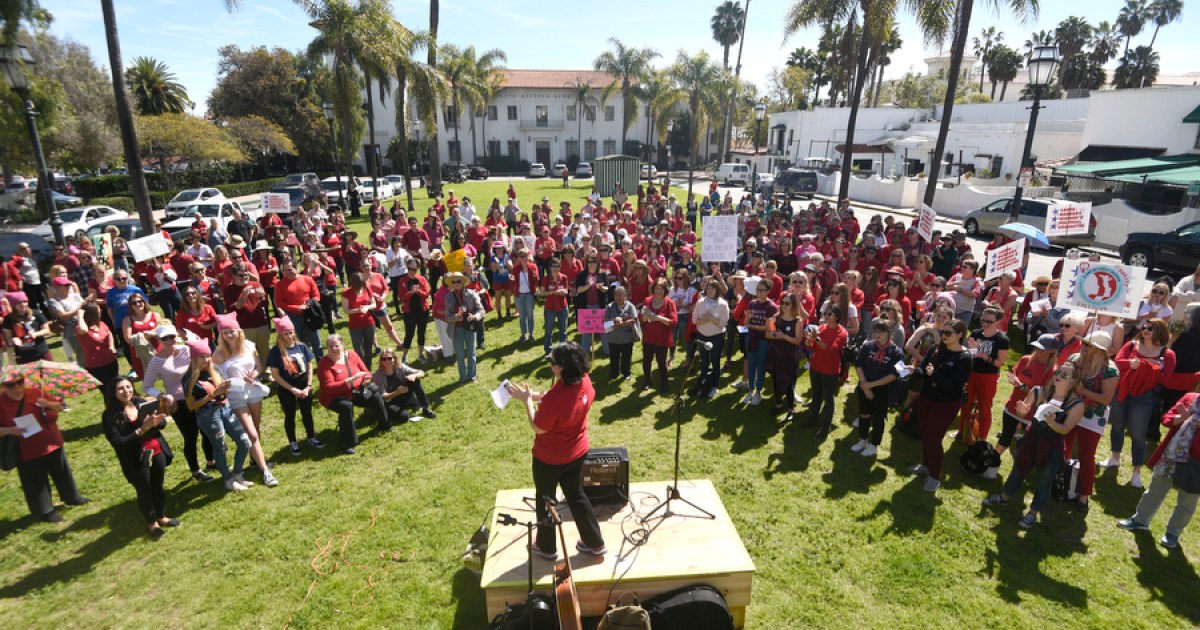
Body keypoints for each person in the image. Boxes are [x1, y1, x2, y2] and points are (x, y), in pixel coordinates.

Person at [504, 342, 607, 560]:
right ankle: (595, 543)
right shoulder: (585, 381)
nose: (550, 364)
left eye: (552, 361)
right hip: (578, 452)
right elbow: (554, 398)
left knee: (546, 500)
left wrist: (526, 403)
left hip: (550, 459)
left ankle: (546, 547)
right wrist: (532, 396)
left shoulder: (555, 400)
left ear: (562, 368)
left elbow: (538, 427)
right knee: (576, 494)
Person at [983, 360, 1087, 528]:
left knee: (1044, 481)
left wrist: (1052, 423)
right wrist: (1022, 411)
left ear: (1073, 381)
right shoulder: (1039, 391)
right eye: (1057, 372)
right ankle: (1004, 497)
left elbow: (1066, 429)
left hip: (1051, 446)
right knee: (1018, 470)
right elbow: (1022, 410)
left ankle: (1032, 513)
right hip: (1031, 439)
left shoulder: (1076, 404)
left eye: (1064, 374)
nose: (1058, 376)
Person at [0, 370, 89, 522]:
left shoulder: (35, 391)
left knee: (62, 471)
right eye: (10, 385)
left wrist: (48, 404)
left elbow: (59, 407)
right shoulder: (1, 403)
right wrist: (10, 430)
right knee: (35, 480)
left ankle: (72, 497)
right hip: (27, 450)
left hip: (53, 441)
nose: (16, 387)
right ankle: (45, 511)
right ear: (3, 386)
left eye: (19, 382)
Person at [1117, 389, 1200, 549]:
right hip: (1171, 456)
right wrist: (1182, 418)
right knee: (1155, 490)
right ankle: (1140, 520)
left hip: (1195, 463)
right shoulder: (1191, 397)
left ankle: (1172, 533)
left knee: (1187, 501)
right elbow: (1167, 418)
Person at [103, 377, 180, 537]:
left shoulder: (141, 402)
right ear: (113, 392)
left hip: (156, 450)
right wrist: (142, 429)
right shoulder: (109, 415)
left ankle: (162, 516)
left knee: (157, 486)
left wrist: (157, 421)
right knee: (144, 490)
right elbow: (119, 442)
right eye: (120, 389)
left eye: (128, 387)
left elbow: (161, 425)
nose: (126, 391)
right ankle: (152, 524)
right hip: (136, 459)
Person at [1105, 318, 1176, 489]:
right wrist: (1131, 363)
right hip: (1122, 390)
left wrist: (1150, 367)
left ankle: (1136, 471)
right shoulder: (1131, 345)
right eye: (1144, 327)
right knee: (1117, 426)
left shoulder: (1167, 354)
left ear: (1159, 330)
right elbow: (1117, 362)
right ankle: (1115, 458)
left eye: (1150, 328)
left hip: (1145, 396)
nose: (1145, 330)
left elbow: (1167, 379)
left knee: (1138, 434)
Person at [143, 322, 215, 483]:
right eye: (165, 338)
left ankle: (211, 461)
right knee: (190, 436)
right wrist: (164, 396)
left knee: (207, 430)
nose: (170, 340)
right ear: (159, 340)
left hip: (196, 395)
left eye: (172, 336)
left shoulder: (186, 350)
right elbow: (146, 386)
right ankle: (196, 470)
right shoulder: (156, 361)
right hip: (179, 403)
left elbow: (201, 352)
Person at [212, 313, 277, 487]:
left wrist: (255, 374)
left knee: (256, 429)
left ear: (238, 331)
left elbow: (259, 366)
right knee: (251, 434)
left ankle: (255, 461)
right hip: (235, 396)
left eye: (231, 331)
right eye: (224, 332)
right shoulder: (219, 354)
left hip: (253, 391)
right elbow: (213, 374)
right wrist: (221, 383)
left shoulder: (249, 346)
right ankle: (266, 472)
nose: (228, 335)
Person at [909, 319, 972, 493]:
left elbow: (955, 385)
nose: (943, 336)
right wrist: (915, 370)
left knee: (934, 438)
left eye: (948, 333)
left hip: (946, 404)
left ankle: (934, 477)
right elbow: (923, 368)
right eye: (943, 332)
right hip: (926, 398)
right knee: (925, 432)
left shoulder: (964, 358)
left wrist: (934, 374)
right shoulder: (935, 349)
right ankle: (926, 465)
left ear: (960, 335)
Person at [184, 339, 252, 492]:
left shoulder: (215, 370)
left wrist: (227, 388)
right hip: (209, 415)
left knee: (245, 441)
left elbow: (223, 390)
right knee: (220, 448)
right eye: (201, 357)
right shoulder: (189, 379)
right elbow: (191, 406)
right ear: (194, 358)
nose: (206, 360)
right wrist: (213, 395)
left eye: (207, 356)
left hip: (226, 409)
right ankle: (228, 480)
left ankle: (237, 473)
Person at [317, 333, 388, 454]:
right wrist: (347, 382)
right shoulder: (324, 363)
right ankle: (346, 443)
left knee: (375, 396)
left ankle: (384, 424)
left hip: (355, 391)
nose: (334, 349)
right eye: (330, 346)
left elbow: (366, 371)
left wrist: (366, 378)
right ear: (327, 348)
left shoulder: (352, 355)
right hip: (333, 396)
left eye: (336, 345)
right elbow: (328, 388)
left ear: (342, 345)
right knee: (346, 407)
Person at [266, 316, 324, 457]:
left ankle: (311, 436)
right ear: (280, 334)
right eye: (286, 333)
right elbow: (276, 375)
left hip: (304, 385)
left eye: (291, 332)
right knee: (290, 415)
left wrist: (308, 386)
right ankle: (293, 442)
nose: (289, 335)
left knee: (307, 413)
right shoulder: (275, 352)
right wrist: (292, 389)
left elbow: (310, 366)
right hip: (287, 389)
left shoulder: (302, 346)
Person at [997, 334, 1059, 456]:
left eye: (1043, 348)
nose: (1038, 350)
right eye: (1037, 347)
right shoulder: (1026, 359)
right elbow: (1016, 375)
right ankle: (991, 463)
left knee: (1025, 446)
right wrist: (1014, 380)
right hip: (1012, 406)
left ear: (1052, 351)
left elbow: (1042, 395)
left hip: (1030, 414)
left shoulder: (1052, 370)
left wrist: (1021, 386)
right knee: (1005, 437)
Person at [852, 319, 904, 457]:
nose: (878, 334)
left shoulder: (896, 352)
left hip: (882, 390)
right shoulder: (868, 346)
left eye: (882, 331)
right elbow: (859, 365)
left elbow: (893, 375)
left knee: (878, 418)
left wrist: (871, 385)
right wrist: (865, 385)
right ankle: (862, 439)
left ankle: (874, 444)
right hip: (864, 385)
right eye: (876, 331)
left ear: (890, 333)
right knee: (864, 414)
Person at [959, 307, 1010, 444]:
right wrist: (969, 350)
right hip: (971, 373)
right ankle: (962, 432)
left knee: (984, 408)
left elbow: (999, 363)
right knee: (965, 404)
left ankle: (982, 438)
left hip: (988, 377)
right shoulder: (976, 333)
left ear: (998, 322)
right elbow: (968, 353)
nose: (985, 323)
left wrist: (984, 356)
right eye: (983, 320)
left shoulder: (1002, 339)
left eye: (989, 321)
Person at [805, 306, 848, 437]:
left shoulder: (842, 333)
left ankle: (826, 425)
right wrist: (809, 339)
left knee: (828, 398)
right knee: (816, 394)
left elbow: (831, 349)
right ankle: (813, 419)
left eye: (829, 314)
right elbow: (812, 347)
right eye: (825, 313)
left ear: (836, 316)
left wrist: (815, 338)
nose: (826, 316)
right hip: (816, 366)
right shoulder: (821, 328)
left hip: (830, 370)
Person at [373, 348, 436, 425]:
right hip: (390, 401)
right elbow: (383, 397)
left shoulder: (400, 367)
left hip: (403, 395)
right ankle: (398, 410)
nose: (387, 361)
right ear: (381, 361)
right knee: (404, 417)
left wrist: (414, 375)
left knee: (415, 380)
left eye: (389, 358)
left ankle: (425, 409)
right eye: (384, 359)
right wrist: (398, 392)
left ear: (394, 359)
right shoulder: (378, 375)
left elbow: (421, 372)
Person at [766, 292, 805, 419]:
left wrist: (784, 336)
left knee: (788, 381)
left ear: (793, 305)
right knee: (776, 379)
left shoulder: (798, 321)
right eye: (782, 302)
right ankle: (778, 404)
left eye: (787, 303)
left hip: (789, 355)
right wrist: (773, 334)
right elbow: (768, 334)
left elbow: (798, 340)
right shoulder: (776, 318)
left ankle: (790, 408)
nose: (784, 305)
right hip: (776, 353)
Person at [274, 258, 323, 358]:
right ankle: (304, 366)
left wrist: (308, 304)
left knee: (316, 343)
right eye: (285, 270)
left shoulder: (307, 279)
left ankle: (321, 366)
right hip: (293, 317)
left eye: (290, 269)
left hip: (310, 314)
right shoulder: (280, 285)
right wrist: (296, 308)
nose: (287, 272)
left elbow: (316, 296)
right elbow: (280, 303)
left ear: (296, 268)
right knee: (298, 344)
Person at [443, 272, 485, 383]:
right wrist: (456, 317)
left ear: (463, 282)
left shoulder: (471, 294)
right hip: (456, 329)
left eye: (458, 281)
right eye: (453, 282)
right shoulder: (448, 297)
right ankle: (462, 377)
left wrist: (475, 317)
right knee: (460, 355)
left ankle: (472, 376)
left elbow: (481, 310)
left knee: (471, 353)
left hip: (470, 327)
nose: (456, 284)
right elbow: (447, 317)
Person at [691, 278, 729, 398]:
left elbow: (723, 323)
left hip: (716, 337)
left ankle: (714, 386)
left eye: (712, 288)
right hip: (702, 335)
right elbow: (694, 320)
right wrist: (704, 320)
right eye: (708, 288)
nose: (709, 290)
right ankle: (702, 384)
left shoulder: (722, 304)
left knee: (715, 361)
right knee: (704, 362)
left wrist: (710, 318)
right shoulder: (700, 302)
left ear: (717, 290)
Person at [640, 278, 677, 394]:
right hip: (649, 337)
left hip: (662, 338)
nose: (658, 291)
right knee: (646, 361)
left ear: (665, 290)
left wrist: (659, 318)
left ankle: (664, 383)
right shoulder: (647, 300)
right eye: (656, 288)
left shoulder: (669, 302)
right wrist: (646, 316)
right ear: (653, 289)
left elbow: (673, 321)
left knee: (661, 362)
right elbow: (641, 319)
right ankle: (647, 381)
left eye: (661, 289)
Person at [75, 303, 121, 384]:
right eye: (99, 311)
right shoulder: (80, 328)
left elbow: (109, 333)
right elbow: (83, 329)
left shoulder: (102, 324)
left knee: (116, 384)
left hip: (111, 361)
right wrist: (80, 316)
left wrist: (112, 346)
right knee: (106, 389)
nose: (101, 312)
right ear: (92, 314)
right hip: (96, 366)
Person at [396, 259, 430, 364]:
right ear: (407, 268)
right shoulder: (402, 280)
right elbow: (401, 298)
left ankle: (420, 355)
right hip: (409, 312)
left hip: (422, 311)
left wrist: (418, 291)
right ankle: (405, 356)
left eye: (414, 269)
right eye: (410, 269)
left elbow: (426, 294)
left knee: (421, 333)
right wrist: (411, 292)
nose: (412, 271)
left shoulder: (422, 279)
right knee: (409, 334)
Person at [3, 292, 52, 364]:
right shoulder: (8, 319)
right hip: (23, 357)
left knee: (49, 374)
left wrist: (36, 334)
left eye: (24, 302)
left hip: (41, 352)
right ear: (13, 305)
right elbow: (8, 339)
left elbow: (47, 330)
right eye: (19, 303)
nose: (23, 304)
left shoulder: (36, 313)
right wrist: (13, 340)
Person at [343, 272, 379, 370]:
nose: (360, 287)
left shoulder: (367, 290)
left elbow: (374, 304)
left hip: (369, 323)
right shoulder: (347, 293)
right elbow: (346, 310)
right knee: (359, 350)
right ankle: (361, 369)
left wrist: (367, 307)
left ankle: (368, 369)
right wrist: (358, 310)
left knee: (368, 349)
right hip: (355, 326)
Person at [46, 277, 85, 368]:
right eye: (66, 285)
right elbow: (63, 315)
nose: (69, 286)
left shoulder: (75, 295)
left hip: (84, 323)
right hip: (71, 330)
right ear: (58, 287)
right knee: (81, 353)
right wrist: (80, 307)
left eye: (69, 284)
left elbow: (85, 306)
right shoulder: (54, 301)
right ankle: (85, 373)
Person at [604, 286, 639, 380]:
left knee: (626, 357)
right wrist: (614, 319)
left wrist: (620, 323)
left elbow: (633, 320)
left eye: (621, 295)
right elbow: (605, 321)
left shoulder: (630, 306)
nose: (618, 297)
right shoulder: (610, 306)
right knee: (614, 357)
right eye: (616, 295)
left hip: (627, 338)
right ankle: (614, 373)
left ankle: (626, 373)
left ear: (625, 296)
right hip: (613, 338)